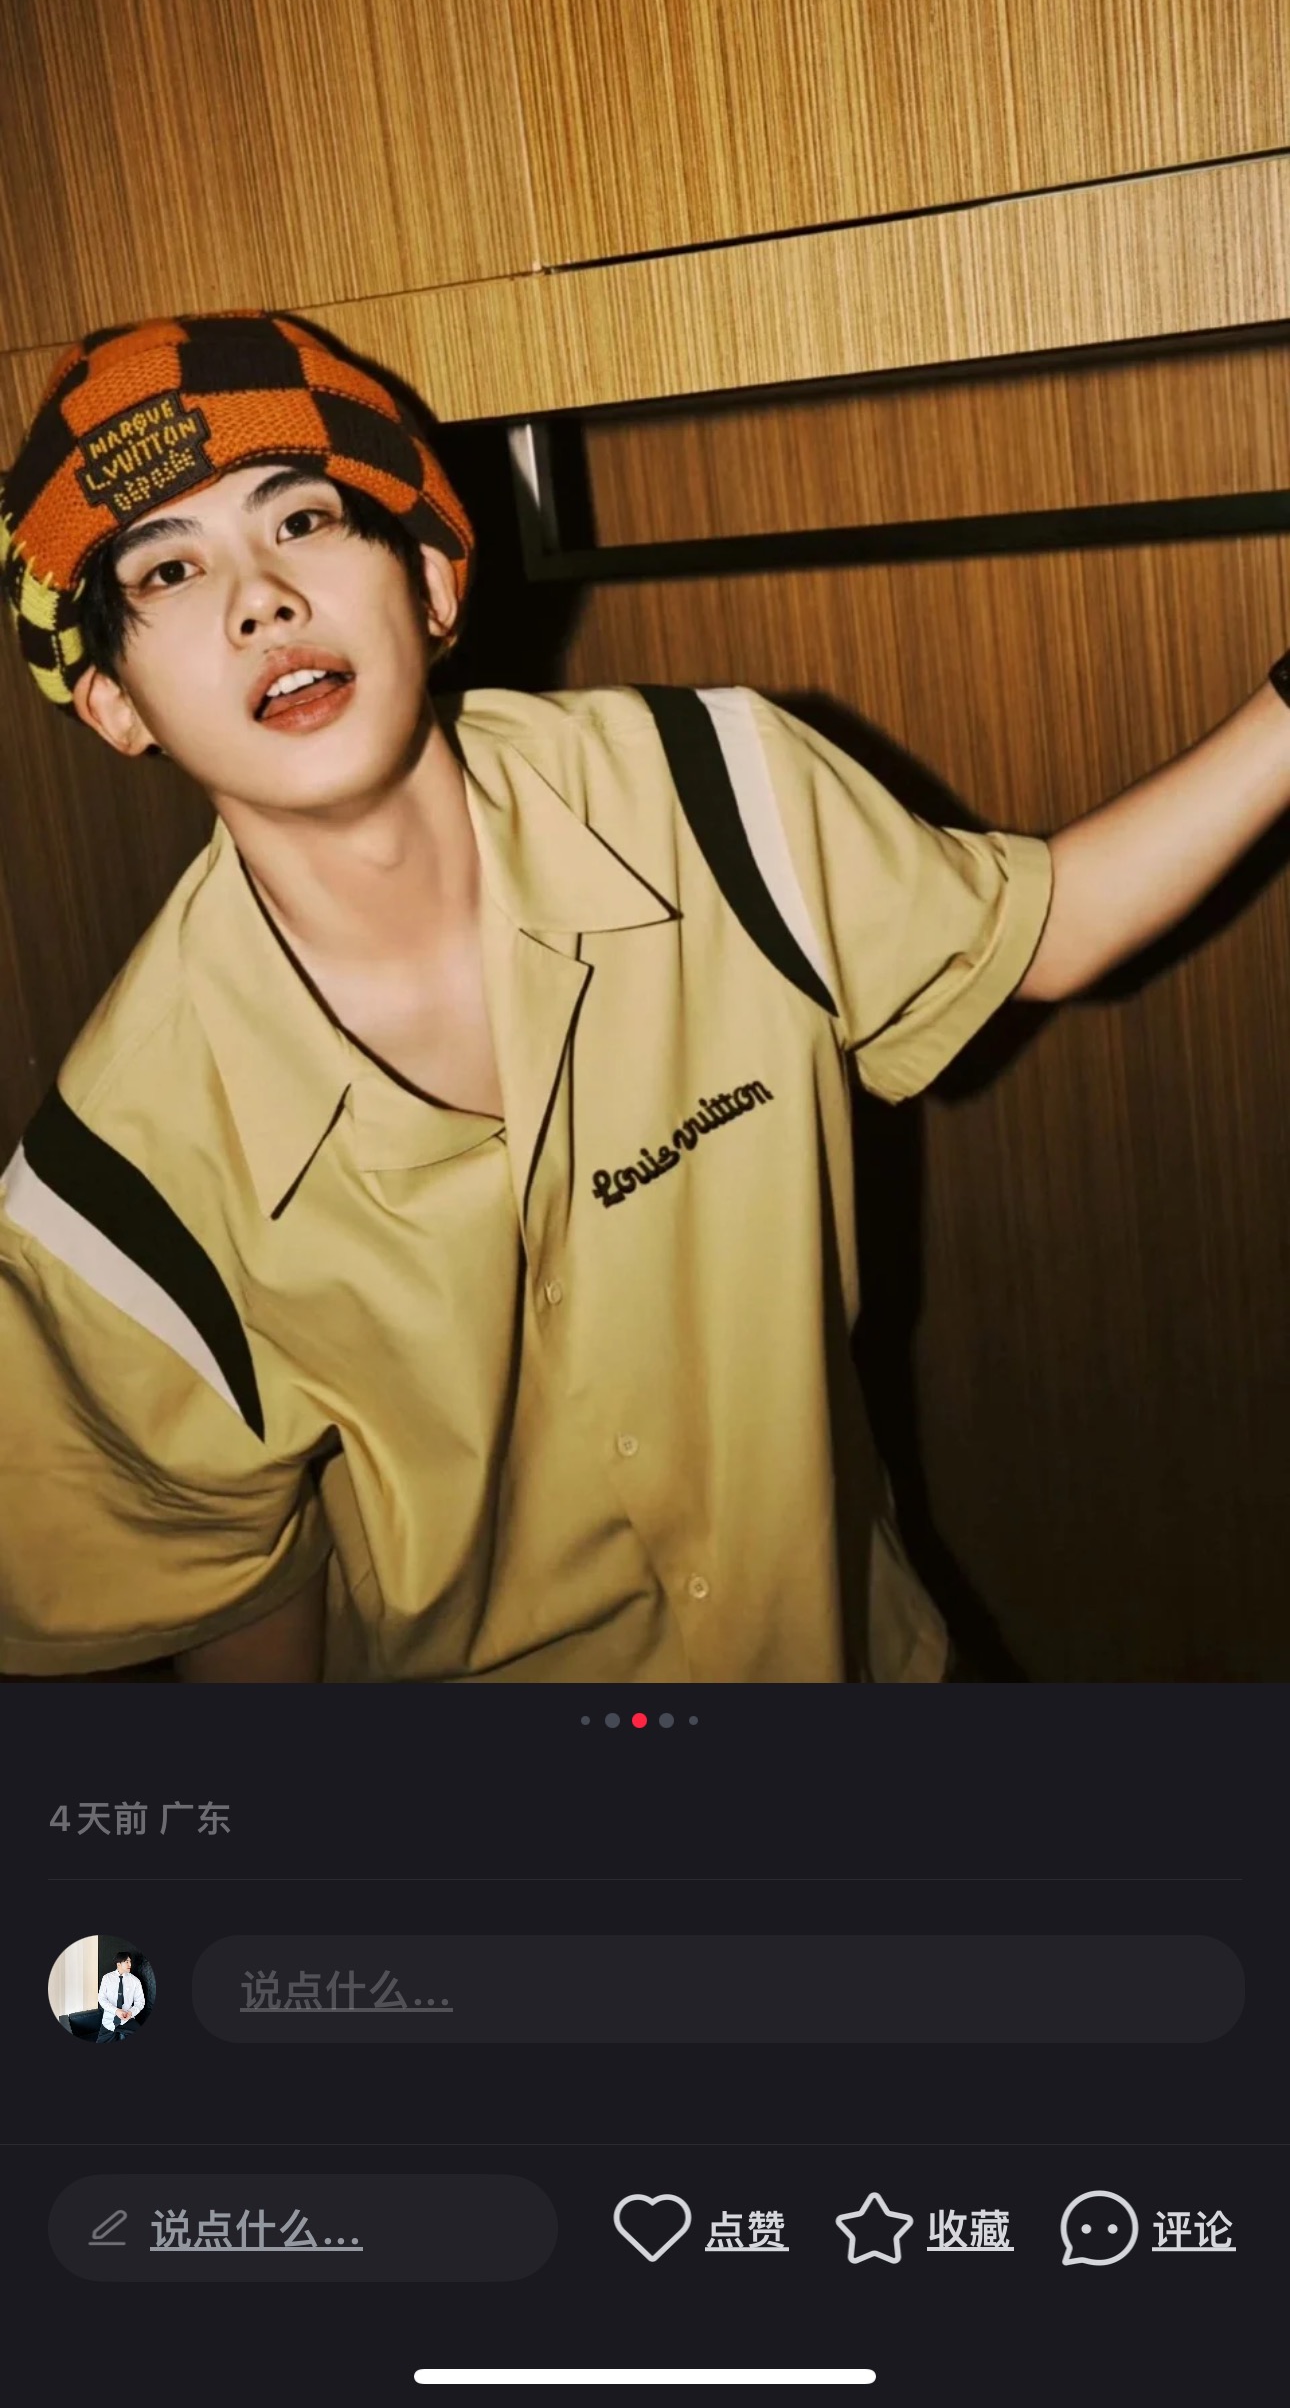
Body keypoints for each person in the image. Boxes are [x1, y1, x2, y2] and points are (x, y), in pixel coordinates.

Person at [2, 311, 1289, 1687]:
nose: (260, 598)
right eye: (171, 569)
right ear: (113, 701)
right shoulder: (116, 1179)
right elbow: (244, 1613)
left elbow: (1049, 926)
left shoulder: (714, 793)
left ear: (430, 581)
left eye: (303, 520)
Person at [96, 1949, 144, 2043]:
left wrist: (131, 2013)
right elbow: (101, 1999)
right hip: (109, 2020)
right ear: (118, 1964)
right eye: (127, 1962)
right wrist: (116, 2011)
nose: (130, 1964)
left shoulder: (135, 1981)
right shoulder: (107, 1978)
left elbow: (140, 2002)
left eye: (130, 1961)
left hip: (127, 2020)